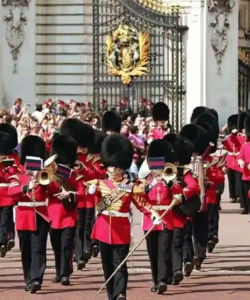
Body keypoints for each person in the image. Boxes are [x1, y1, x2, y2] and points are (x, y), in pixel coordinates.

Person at [89, 134, 155, 300]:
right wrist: (89, 191)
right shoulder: (100, 184)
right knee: (108, 266)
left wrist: (154, 214)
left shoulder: (129, 187)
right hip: (103, 228)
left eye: (116, 167)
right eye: (111, 167)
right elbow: (88, 197)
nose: (113, 170)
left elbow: (141, 203)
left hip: (121, 229)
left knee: (120, 263)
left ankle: (120, 293)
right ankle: (112, 294)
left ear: (122, 168)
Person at [8, 135, 49, 293]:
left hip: (41, 215)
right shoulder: (18, 176)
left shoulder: (43, 176)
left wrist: (46, 179)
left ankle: (36, 279)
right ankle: (28, 278)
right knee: (26, 250)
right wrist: (27, 186)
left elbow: (52, 190)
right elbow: (11, 192)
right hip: (24, 216)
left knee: (38, 248)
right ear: (25, 162)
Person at [47, 135, 81, 285]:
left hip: (69, 214)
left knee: (67, 246)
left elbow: (82, 192)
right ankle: (58, 272)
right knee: (56, 247)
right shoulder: (50, 173)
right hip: (53, 213)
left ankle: (65, 273)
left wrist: (70, 193)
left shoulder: (75, 174)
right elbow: (46, 190)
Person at [0, 124, 19, 257]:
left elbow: (18, 171)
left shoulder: (14, 157)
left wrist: (9, 170)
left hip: (8, 192)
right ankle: (7, 238)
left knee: (6, 217)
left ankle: (3, 241)